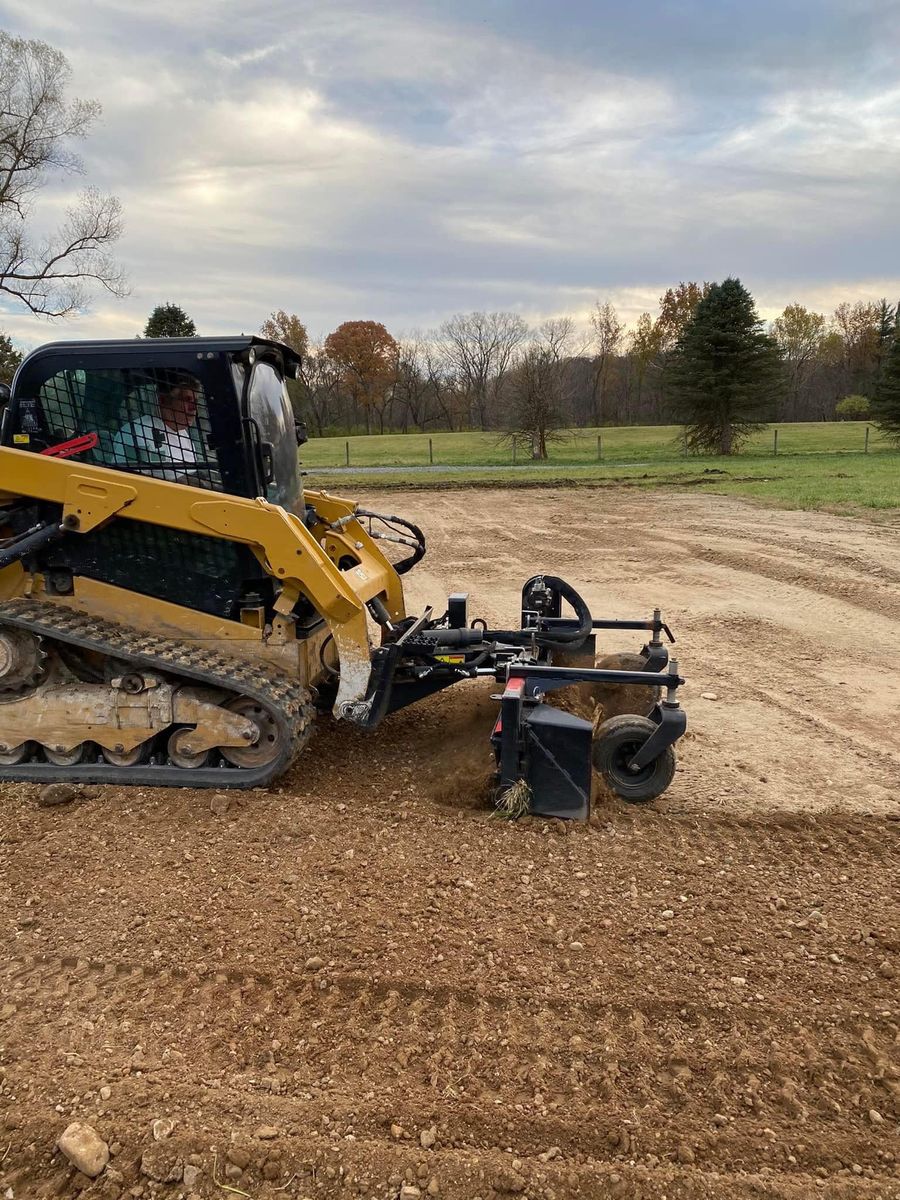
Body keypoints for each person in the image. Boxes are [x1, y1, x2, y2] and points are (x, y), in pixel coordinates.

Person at [112, 377, 203, 481]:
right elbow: (129, 482)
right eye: (186, 400)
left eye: (195, 401)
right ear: (163, 400)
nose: (193, 408)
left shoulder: (183, 434)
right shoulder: (137, 432)